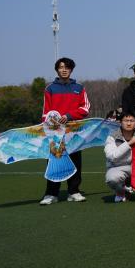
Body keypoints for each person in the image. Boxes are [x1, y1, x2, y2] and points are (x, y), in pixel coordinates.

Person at [39, 57, 91, 205]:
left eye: (67, 67)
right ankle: (51, 194)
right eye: (61, 67)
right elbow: (45, 112)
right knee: (54, 161)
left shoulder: (79, 88)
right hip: (55, 133)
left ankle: (73, 192)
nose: (64, 70)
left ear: (71, 70)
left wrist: (68, 116)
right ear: (57, 70)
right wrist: (51, 123)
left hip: (74, 132)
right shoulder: (50, 88)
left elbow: (85, 108)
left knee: (75, 162)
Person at [104, 112, 135, 202]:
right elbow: (112, 156)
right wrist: (129, 143)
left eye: (131, 121)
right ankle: (120, 193)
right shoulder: (112, 137)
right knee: (112, 178)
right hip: (117, 168)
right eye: (126, 121)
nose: (129, 123)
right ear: (120, 122)